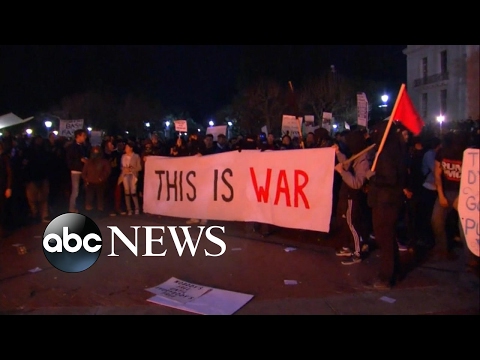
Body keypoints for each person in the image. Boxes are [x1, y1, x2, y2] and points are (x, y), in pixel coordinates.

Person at [364, 120, 409, 290]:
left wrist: (372, 177)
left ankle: (386, 276)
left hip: (386, 201)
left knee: (385, 238)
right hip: (389, 200)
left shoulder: (387, 152)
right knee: (388, 237)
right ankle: (395, 270)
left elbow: (390, 179)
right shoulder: (396, 149)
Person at [332, 130, 371, 265]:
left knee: (352, 223)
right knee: (346, 222)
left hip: (352, 196)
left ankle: (357, 252)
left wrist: (342, 172)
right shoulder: (357, 155)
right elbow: (347, 164)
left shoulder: (364, 160)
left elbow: (356, 183)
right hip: (347, 194)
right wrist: (338, 153)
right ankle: (349, 246)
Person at [431, 131, 469, 259]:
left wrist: (461, 197)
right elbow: (437, 175)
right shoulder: (441, 153)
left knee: (465, 226)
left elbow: (470, 177)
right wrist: (441, 195)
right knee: (436, 220)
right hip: (446, 191)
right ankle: (443, 249)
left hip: (463, 193)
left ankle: (471, 258)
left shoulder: (465, 155)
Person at [82, 145, 111, 212]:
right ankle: (89, 211)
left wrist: (101, 178)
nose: (95, 154)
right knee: (89, 198)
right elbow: (84, 172)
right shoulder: (89, 162)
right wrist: (86, 179)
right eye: (94, 152)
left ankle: (100, 211)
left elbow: (107, 171)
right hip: (90, 182)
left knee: (100, 198)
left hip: (100, 183)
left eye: (97, 152)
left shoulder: (104, 162)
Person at [66, 129, 88, 213]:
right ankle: (72, 208)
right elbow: (69, 160)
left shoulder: (83, 146)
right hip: (76, 170)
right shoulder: (72, 147)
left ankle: (79, 207)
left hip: (82, 170)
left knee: (81, 190)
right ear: (78, 136)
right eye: (83, 135)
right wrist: (80, 161)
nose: (85, 137)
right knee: (75, 190)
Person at [119, 141, 142, 215]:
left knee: (133, 191)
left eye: (127, 147)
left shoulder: (136, 156)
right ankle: (129, 209)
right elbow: (121, 166)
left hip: (133, 175)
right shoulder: (123, 156)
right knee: (127, 192)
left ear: (131, 148)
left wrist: (131, 169)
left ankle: (137, 208)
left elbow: (139, 167)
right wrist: (124, 169)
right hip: (125, 175)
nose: (126, 148)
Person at [0, 141, 13, 238]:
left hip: (2, 186)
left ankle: (2, 228)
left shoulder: (4, 158)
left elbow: (9, 173)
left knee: (2, 208)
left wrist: (8, 187)